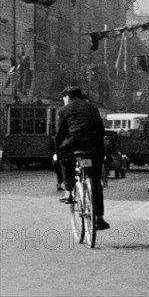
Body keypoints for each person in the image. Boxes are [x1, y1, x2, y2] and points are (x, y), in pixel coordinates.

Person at [55, 86, 109, 231]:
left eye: (64, 98)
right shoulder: (93, 108)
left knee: (65, 160)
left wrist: (57, 152)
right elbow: (101, 129)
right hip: (94, 147)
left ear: (68, 96)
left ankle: (68, 191)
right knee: (95, 180)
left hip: (74, 143)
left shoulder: (64, 110)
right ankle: (99, 218)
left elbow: (60, 134)